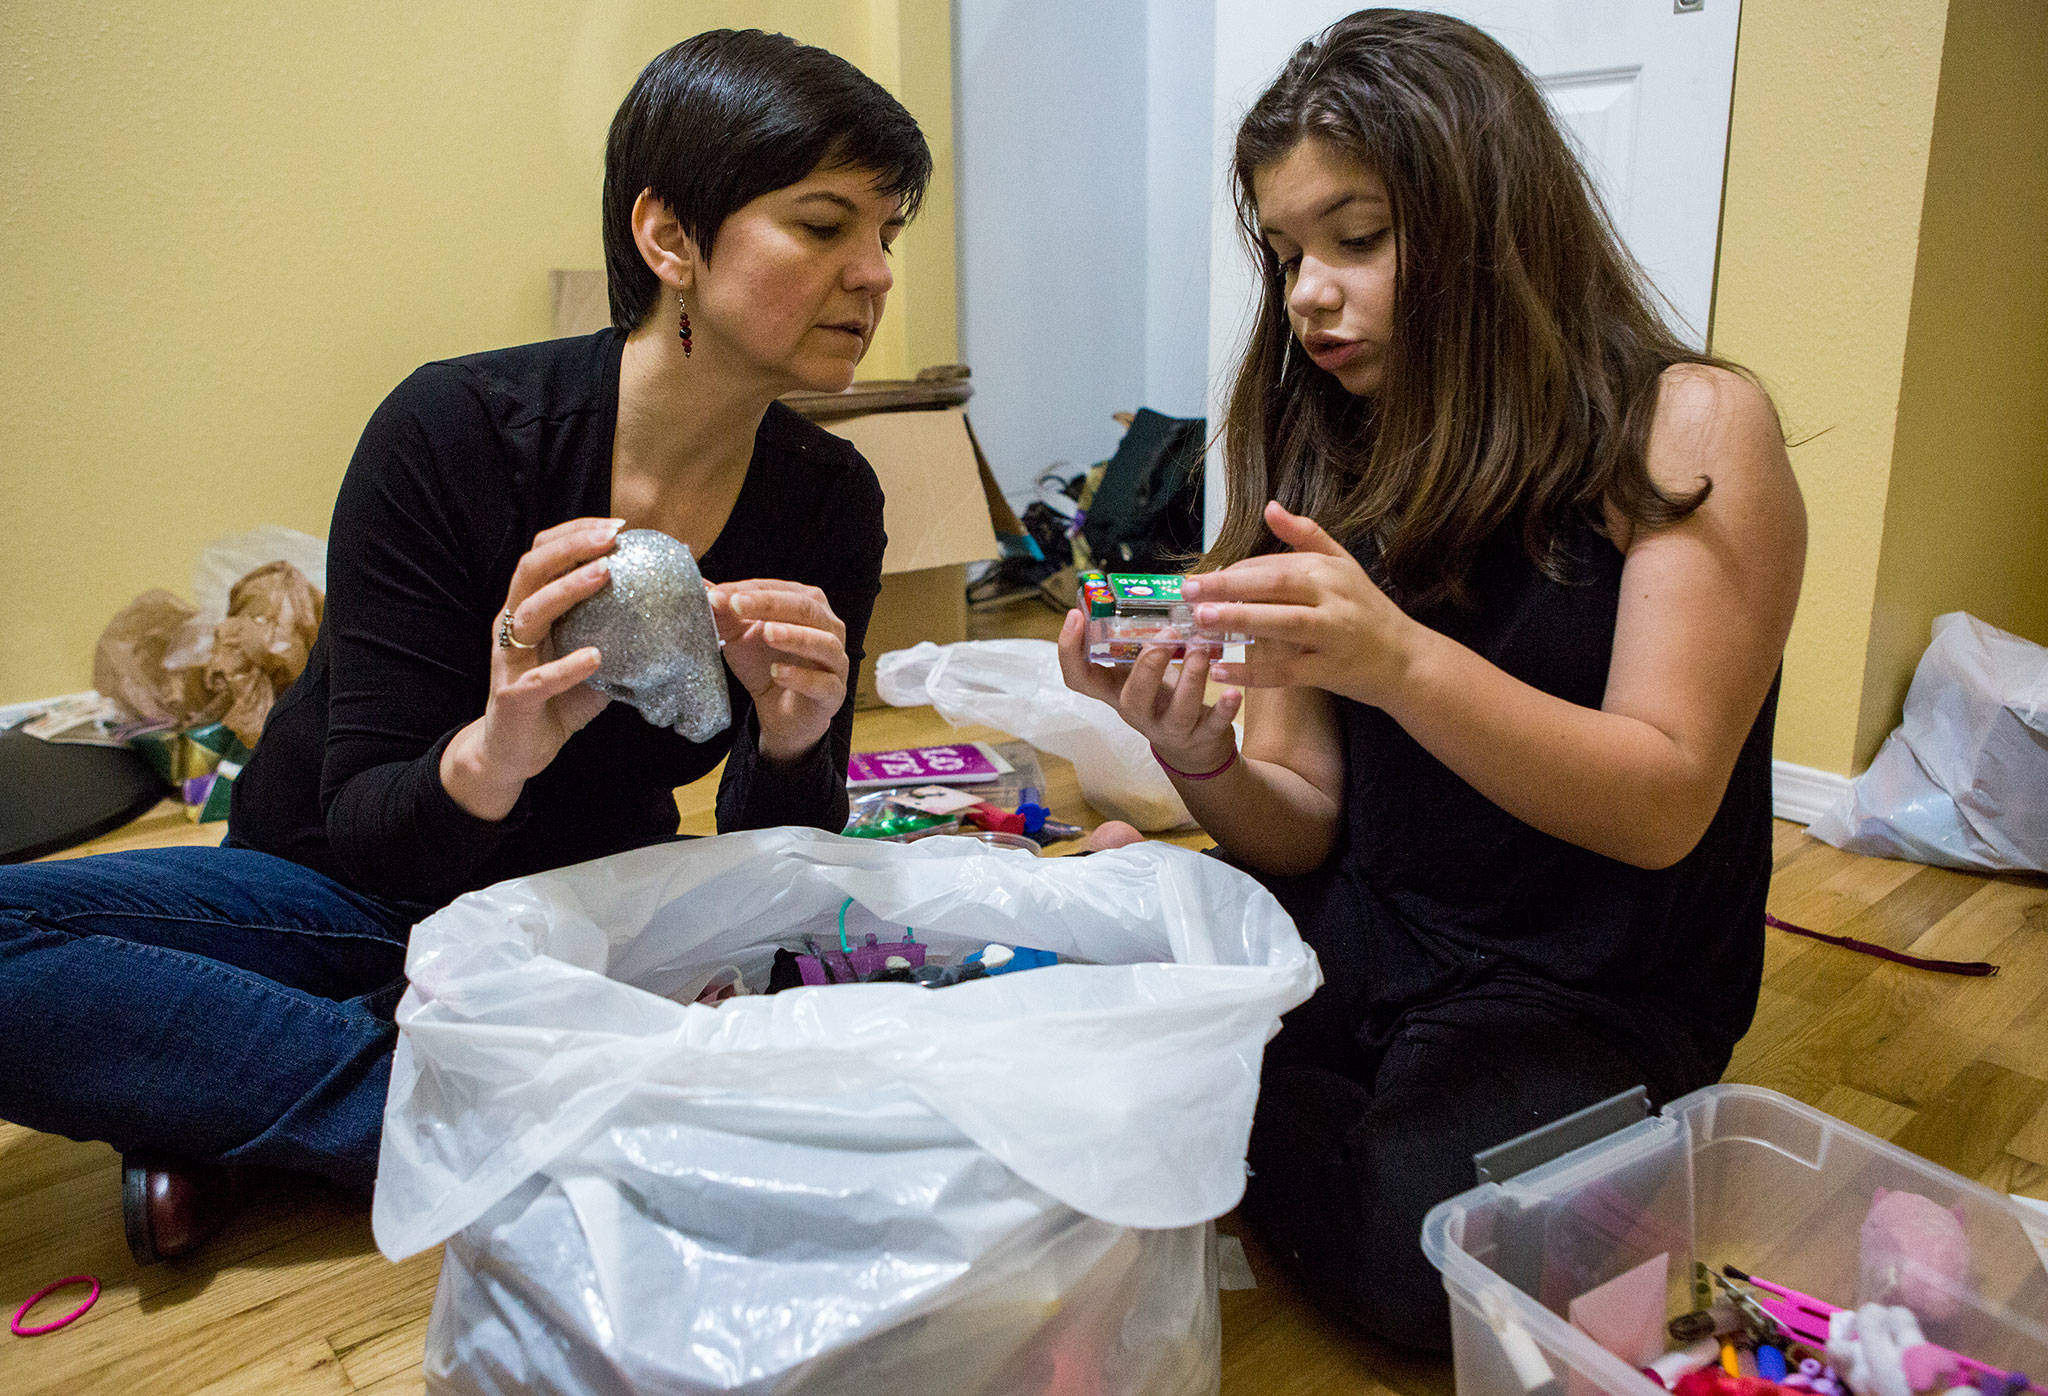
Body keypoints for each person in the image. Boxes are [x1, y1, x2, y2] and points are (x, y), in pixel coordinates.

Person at [0, 29, 928, 1264]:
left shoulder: (828, 500)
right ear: (669, 238)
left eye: (886, 236)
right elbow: (371, 822)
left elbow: (778, 861)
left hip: (590, 912)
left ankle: (245, 1094)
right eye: (823, 226)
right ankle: (504, 1109)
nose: (873, 275)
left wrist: (799, 733)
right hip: (350, 883)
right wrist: (495, 749)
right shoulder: (455, 430)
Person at [1059, 10, 1805, 1350]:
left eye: (1357, 240)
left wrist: (1396, 659)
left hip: (1585, 983)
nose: (1306, 296)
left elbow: (1662, 800)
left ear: (1489, 223)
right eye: (1287, 254)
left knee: (1427, 1279)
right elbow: (1308, 816)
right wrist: (1195, 752)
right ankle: (1242, 1078)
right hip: (1376, 927)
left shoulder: (1692, 426)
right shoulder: (1325, 450)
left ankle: (1228, 1105)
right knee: (1070, 1001)